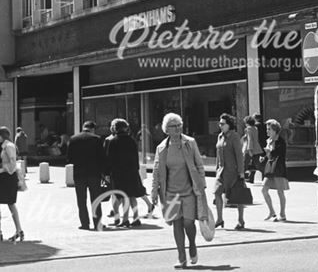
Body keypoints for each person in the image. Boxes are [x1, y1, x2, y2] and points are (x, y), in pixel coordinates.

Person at [151, 113, 206, 269]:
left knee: (189, 222)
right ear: (166, 130)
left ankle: (193, 245)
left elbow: (200, 165)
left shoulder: (190, 143)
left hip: (189, 190)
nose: (177, 128)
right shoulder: (161, 148)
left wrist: (202, 186)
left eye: (179, 125)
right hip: (170, 193)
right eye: (173, 126)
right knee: (176, 224)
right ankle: (181, 257)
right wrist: (154, 191)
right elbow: (156, 171)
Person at [104, 118, 146, 227]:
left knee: (123, 196)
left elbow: (109, 159)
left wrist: (107, 173)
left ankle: (125, 220)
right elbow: (136, 157)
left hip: (119, 173)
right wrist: (136, 170)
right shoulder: (131, 140)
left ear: (115, 128)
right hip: (132, 172)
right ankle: (136, 218)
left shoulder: (113, 141)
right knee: (132, 196)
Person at [68, 120, 108, 231]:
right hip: (94, 174)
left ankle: (84, 224)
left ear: (83, 127)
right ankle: (97, 223)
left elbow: (69, 158)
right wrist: (104, 173)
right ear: (93, 129)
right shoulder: (97, 139)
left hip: (79, 174)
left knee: (81, 200)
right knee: (96, 199)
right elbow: (102, 158)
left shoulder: (74, 139)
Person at [0, 127, 24, 241]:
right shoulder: (5, 146)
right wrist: (0, 167)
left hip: (8, 178)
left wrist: (2, 170)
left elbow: (12, 163)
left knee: (4, 203)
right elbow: (7, 162)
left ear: (3, 135)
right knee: (7, 203)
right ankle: (17, 230)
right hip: (5, 178)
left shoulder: (9, 146)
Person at [213, 113, 246, 230]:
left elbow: (239, 155)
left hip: (232, 171)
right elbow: (218, 154)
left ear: (229, 125)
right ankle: (219, 219)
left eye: (222, 124)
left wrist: (241, 172)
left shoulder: (234, 136)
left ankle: (241, 220)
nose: (220, 125)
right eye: (220, 123)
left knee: (237, 196)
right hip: (221, 172)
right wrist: (216, 168)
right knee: (217, 193)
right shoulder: (220, 136)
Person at [260, 119, 289, 221]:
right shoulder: (269, 141)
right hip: (270, 168)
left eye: (269, 129)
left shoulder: (281, 142)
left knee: (280, 192)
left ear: (275, 130)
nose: (267, 131)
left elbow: (278, 155)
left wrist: (269, 151)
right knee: (264, 189)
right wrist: (264, 156)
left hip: (278, 169)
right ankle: (272, 212)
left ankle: (282, 213)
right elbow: (269, 155)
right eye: (267, 129)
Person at [242, 116, 262, 184]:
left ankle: (242, 178)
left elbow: (250, 139)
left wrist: (250, 149)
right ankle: (252, 178)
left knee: (244, 164)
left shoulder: (248, 129)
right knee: (256, 164)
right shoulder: (255, 128)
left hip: (249, 149)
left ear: (247, 123)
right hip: (257, 148)